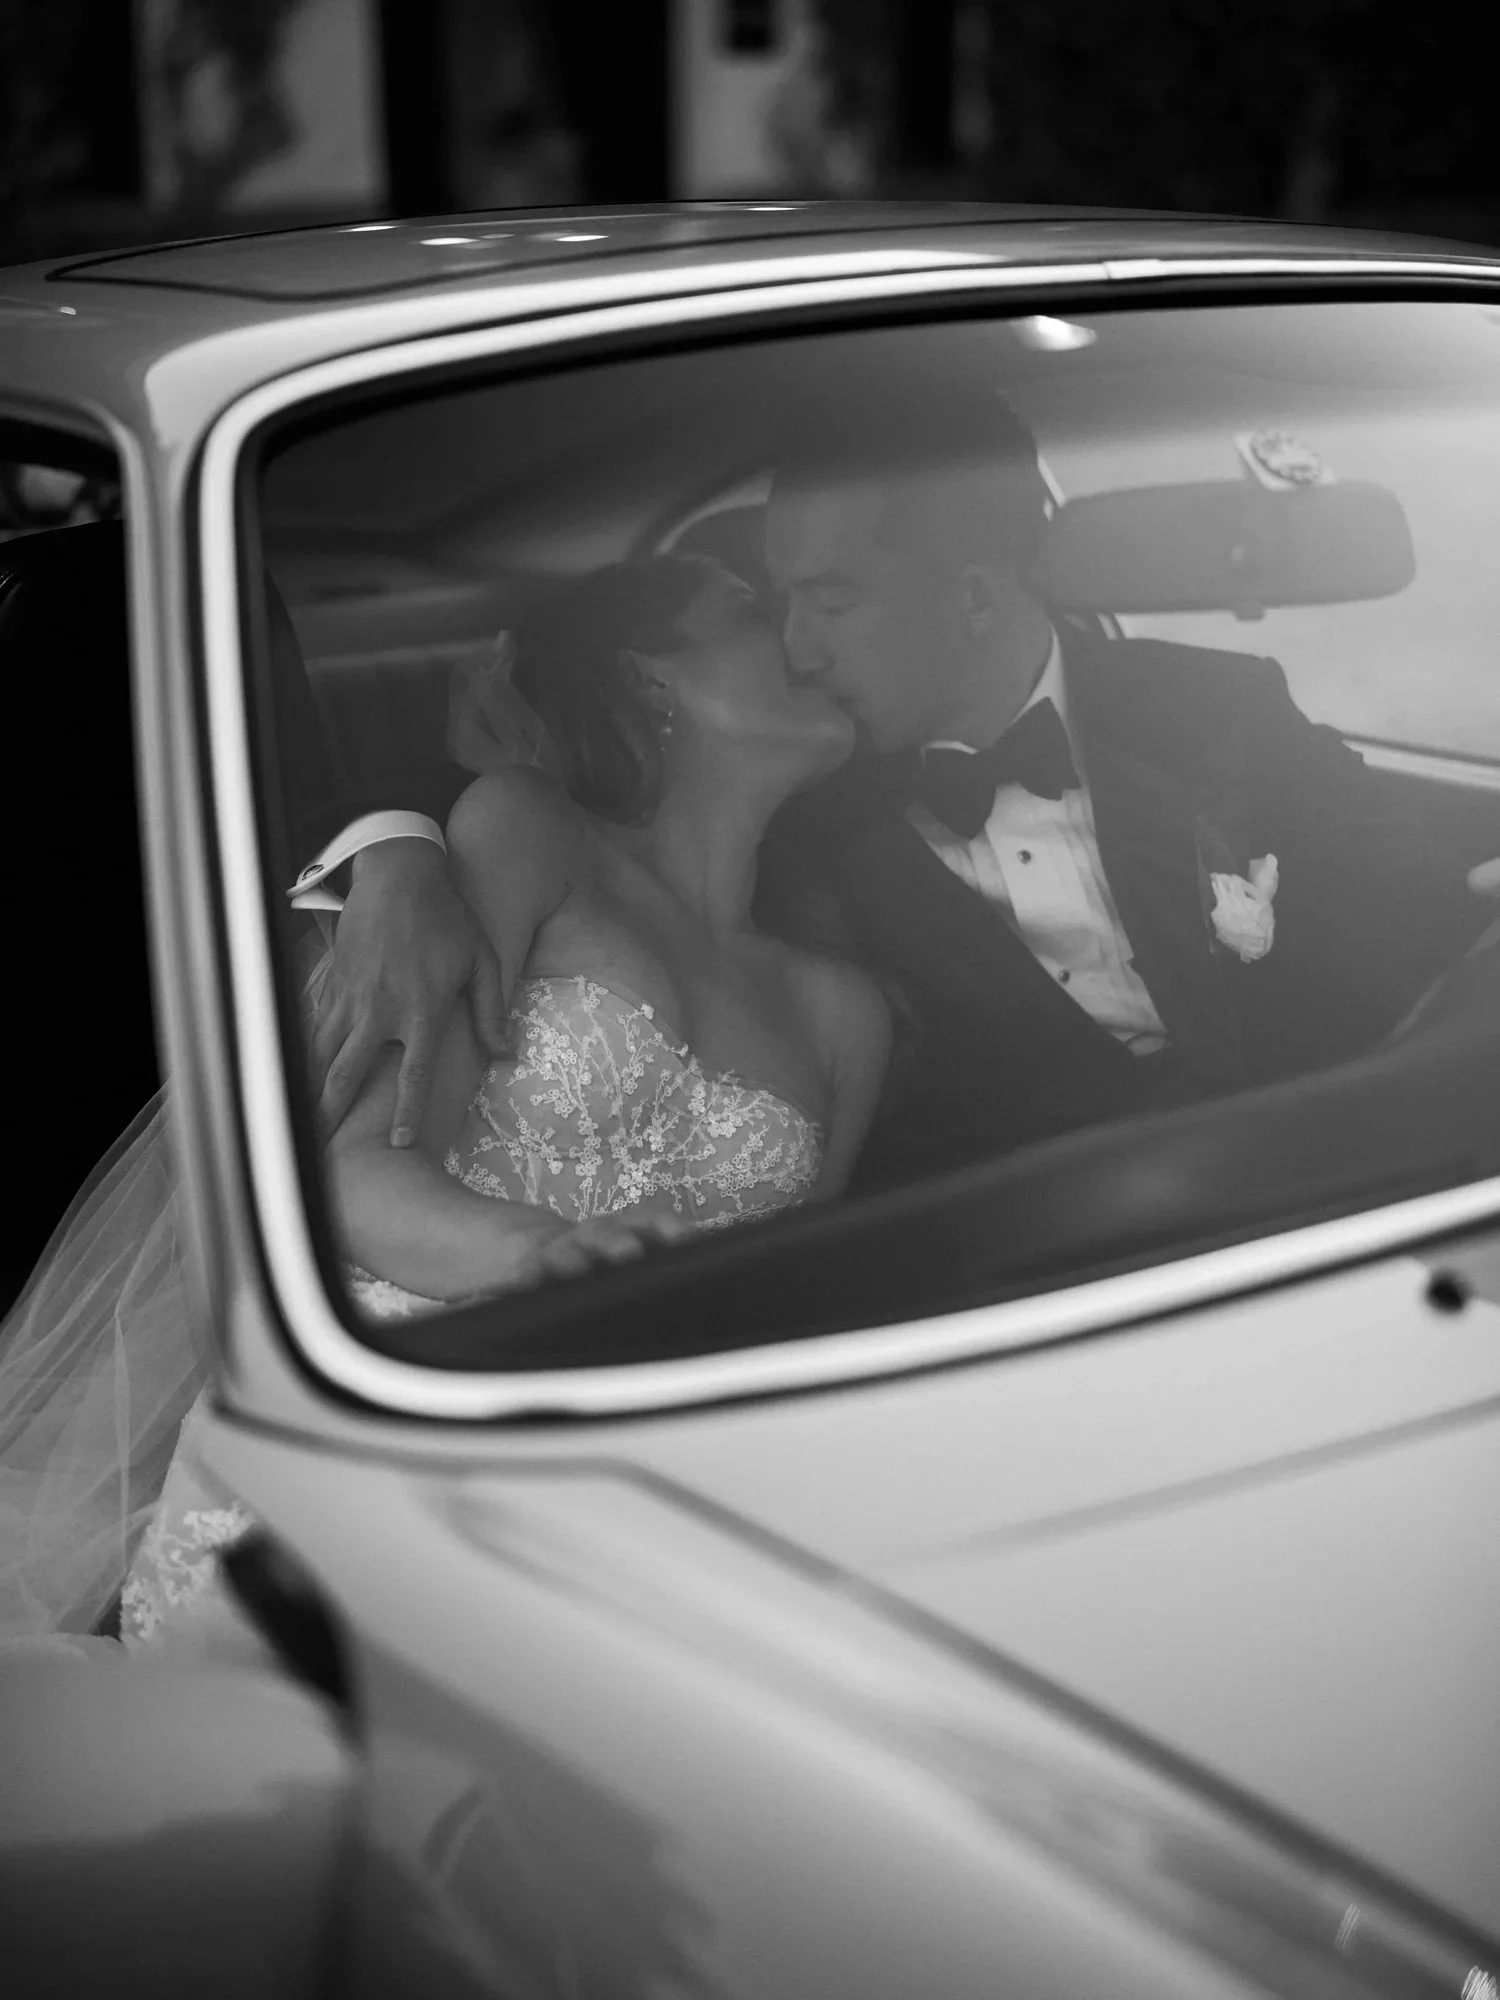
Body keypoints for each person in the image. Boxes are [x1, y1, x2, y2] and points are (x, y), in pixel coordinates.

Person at [0, 554, 888, 1650]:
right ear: (648, 678)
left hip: (653, 1501)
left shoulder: (847, 1015)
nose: (801, 638)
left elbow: (798, 1314)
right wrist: (550, 1259)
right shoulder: (530, 834)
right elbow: (350, 1176)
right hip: (396, 1411)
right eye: (753, 611)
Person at [751, 384, 1487, 1190]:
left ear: (975, 596)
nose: (797, 650)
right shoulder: (809, 832)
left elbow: (1420, 903)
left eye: (831, 602)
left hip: (1346, 1181)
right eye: (783, 602)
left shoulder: (1222, 707)